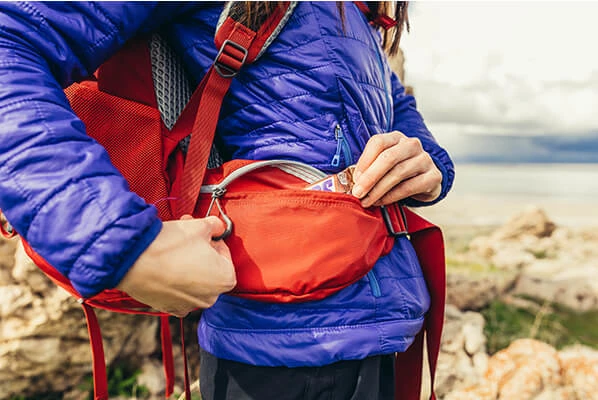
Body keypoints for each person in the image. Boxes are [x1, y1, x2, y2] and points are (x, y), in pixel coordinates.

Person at [0, 2, 454, 399]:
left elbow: (395, 106)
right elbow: (11, 40)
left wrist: (429, 166)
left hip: (387, 331)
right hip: (274, 348)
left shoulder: (358, 11)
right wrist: (117, 242)